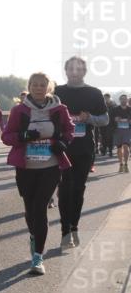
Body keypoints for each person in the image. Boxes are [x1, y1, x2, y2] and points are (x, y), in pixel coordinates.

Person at [2, 73, 74, 274]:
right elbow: (6, 136)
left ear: (48, 87)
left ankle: (37, 257)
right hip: (26, 167)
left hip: (50, 166)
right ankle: (34, 236)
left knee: (40, 208)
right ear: (29, 86)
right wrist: (23, 136)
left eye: (43, 85)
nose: (38, 88)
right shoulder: (19, 110)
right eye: (35, 84)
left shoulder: (60, 109)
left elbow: (70, 131)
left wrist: (64, 142)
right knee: (30, 208)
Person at [55, 56, 109, 248]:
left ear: (84, 71)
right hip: (62, 148)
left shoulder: (94, 93)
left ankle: (74, 226)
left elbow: (105, 119)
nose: (75, 72)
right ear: (66, 70)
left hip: (85, 148)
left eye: (79, 69)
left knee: (78, 189)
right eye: (71, 69)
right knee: (64, 189)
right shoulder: (57, 92)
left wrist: (89, 118)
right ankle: (65, 232)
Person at [113, 94, 131, 174]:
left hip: (127, 130)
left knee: (126, 147)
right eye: (122, 99)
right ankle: (121, 164)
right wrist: (115, 119)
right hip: (118, 130)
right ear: (120, 100)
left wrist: (129, 121)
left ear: (127, 100)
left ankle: (126, 164)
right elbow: (110, 119)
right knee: (119, 148)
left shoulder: (130, 109)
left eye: (125, 99)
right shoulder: (115, 109)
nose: (124, 100)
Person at [102, 93, 117, 157]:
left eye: (106, 98)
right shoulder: (102, 105)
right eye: (104, 98)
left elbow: (115, 114)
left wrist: (115, 124)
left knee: (110, 138)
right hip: (103, 124)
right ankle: (104, 151)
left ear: (109, 97)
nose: (105, 99)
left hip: (110, 124)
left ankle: (110, 151)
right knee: (104, 138)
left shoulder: (113, 105)